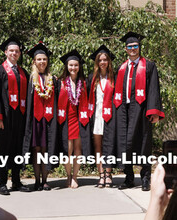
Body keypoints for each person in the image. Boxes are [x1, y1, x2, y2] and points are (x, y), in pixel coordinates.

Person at [112, 32, 165, 191]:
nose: (133, 49)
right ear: (126, 49)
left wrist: (154, 111)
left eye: (135, 46)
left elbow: (154, 89)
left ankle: (145, 178)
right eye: (130, 47)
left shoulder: (148, 66)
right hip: (124, 110)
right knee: (125, 144)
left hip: (141, 110)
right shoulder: (121, 67)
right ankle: (129, 178)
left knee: (143, 143)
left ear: (139, 47)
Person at [0, 36, 31, 195]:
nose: (14, 53)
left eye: (17, 51)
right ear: (5, 52)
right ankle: (2, 183)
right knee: (2, 150)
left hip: (19, 118)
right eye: (11, 50)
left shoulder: (23, 73)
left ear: (19, 53)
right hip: (3, 119)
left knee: (17, 149)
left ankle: (17, 182)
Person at [22, 42, 58, 191]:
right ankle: (37, 180)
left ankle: (45, 180)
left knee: (46, 149)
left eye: (44, 59)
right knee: (36, 150)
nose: (42, 62)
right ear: (34, 61)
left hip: (48, 120)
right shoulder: (29, 80)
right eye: (39, 59)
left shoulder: (53, 80)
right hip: (35, 120)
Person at [56, 49, 91, 189]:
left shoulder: (84, 82)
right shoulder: (60, 82)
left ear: (79, 66)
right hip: (66, 119)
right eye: (71, 65)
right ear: (66, 66)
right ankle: (68, 175)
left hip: (80, 118)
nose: (73, 68)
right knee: (67, 150)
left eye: (76, 65)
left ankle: (75, 176)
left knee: (78, 150)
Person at [87, 45, 116, 188]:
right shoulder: (92, 78)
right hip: (97, 116)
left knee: (108, 146)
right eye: (100, 60)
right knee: (98, 146)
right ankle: (101, 175)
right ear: (97, 62)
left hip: (110, 116)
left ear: (109, 61)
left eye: (105, 60)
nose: (103, 62)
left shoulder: (114, 77)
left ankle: (109, 174)